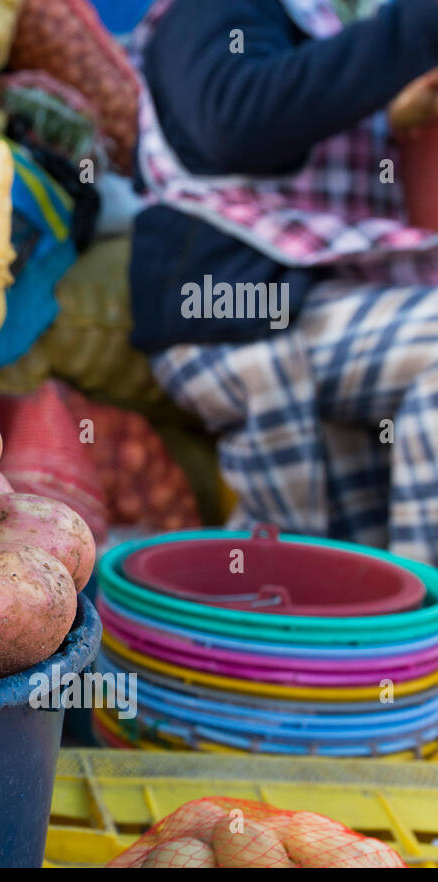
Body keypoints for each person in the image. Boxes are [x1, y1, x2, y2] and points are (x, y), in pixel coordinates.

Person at [129, 0, 438, 565]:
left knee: (338, 571)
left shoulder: (325, 22)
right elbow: (232, 122)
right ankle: (423, 640)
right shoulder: (211, 11)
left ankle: (392, 636)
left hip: (323, 310)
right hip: (231, 308)